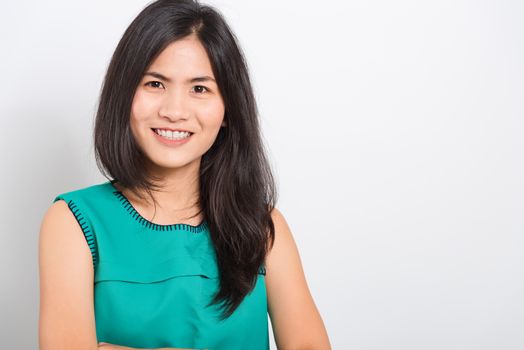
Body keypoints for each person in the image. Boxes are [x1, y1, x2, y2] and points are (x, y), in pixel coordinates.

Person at [38, 0, 331, 349]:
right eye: (155, 84)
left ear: (227, 110)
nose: (174, 111)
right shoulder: (74, 221)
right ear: (124, 93)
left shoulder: (263, 226)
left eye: (200, 89)